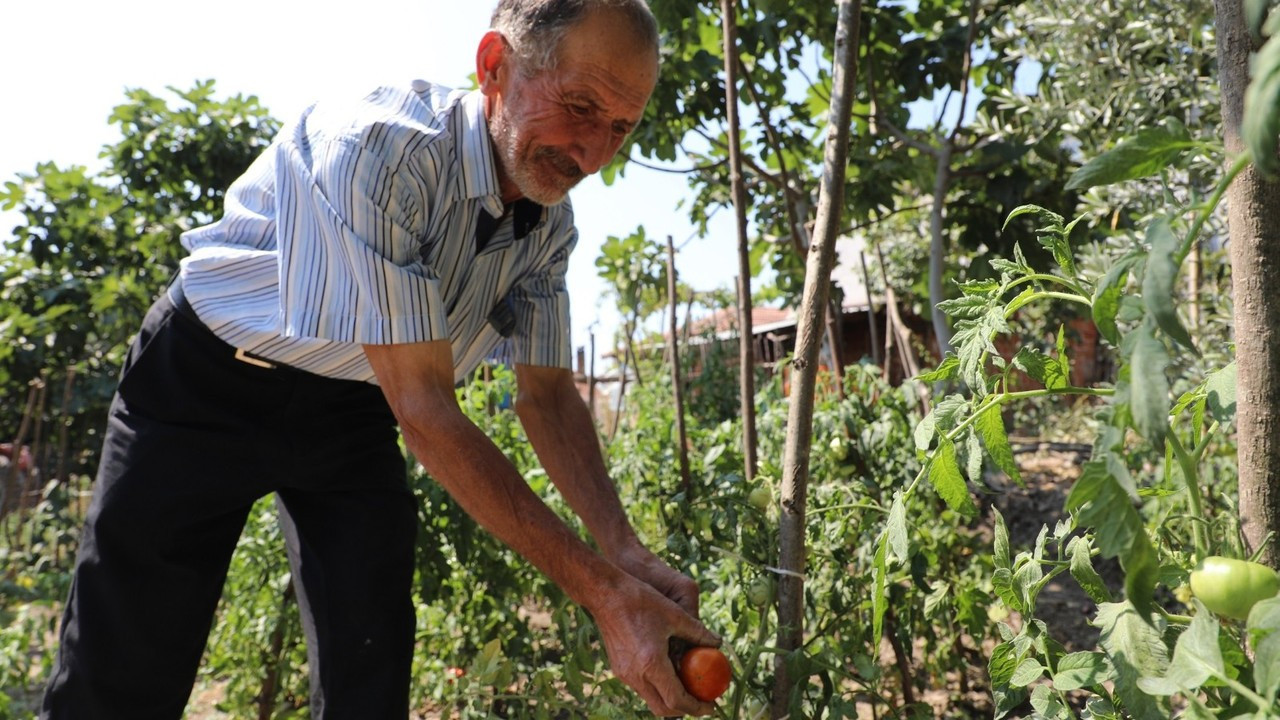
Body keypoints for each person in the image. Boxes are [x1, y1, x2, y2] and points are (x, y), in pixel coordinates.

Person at [39, 1, 720, 717]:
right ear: (494, 66)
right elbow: (425, 411)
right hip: (204, 382)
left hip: (353, 405)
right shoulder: (376, 148)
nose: (592, 154)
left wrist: (625, 551)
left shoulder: (548, 228)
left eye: (620, 127)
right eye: (579, 105)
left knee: (370, 656)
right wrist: (606, 598)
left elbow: (546, 395)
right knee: (123, 667)